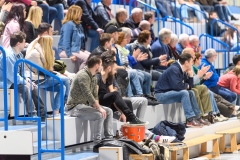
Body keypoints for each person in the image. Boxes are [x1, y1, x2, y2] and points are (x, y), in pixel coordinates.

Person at [65, 55, 114, 144]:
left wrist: (98, 106)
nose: (102, 67)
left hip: (85, 105)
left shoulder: (94, 77)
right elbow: (87, 94)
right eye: (101, 64)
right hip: (74, 107)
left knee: (109, 111)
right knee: (99, 115)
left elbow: (95, 95)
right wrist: (99, 108)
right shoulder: (82, 75)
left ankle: (109, 139)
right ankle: (97, 143)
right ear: (96, 65)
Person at [0, 31, 45, 120]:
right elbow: (12, 76)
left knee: (34, 87)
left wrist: (27, 79)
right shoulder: (8, 56)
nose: (25, 44)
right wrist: (25, 82)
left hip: (16, 80)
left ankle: (42, 113)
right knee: (26, 88)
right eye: (24, 42)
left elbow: (23, 70)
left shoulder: (19, 54)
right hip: (7, 82)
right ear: (18, 43)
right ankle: (32, 115)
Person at [154, 53, 206, 127]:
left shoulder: (183, 69)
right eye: (191, 62)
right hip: (161, 95)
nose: (192, 64)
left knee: (190, 92)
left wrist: (191, 76)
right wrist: (187, 85)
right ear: (186, 62)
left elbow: (190, 87)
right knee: (184, 93)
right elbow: (177, 86)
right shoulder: (174, 69)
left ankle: (197, 117)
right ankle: (190, 120)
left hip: (170, 93)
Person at [96, 50, 146, 124]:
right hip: (98, 101)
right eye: (114, 69)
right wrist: (99, 108)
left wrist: (122, 111)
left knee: (128, 102)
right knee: (115, 94)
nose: (116, 72)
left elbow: (113, 97)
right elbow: (95, 96)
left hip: (107, 101)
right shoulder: (97, 77)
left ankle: (131, 124)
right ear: (109, 68)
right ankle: (132, 118)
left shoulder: (109, 77)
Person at [25, 35, 70, 116]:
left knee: (62, 87)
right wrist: (56, 73)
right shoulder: (35, 53)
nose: (51, 45)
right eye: (50, 43)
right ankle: (66, 104)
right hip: (36, 79)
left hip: (44, 77)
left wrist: (51, 56)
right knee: (66, 80)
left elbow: (50, 69)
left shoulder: (44, 52)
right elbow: (43, 71)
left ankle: (56, 111)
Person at [193, 51, 236, 120]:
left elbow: (214, 76)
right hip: (210, 86)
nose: (216, 57)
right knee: (227, 96)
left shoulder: (209, 64)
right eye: (215, 55)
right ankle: (227, 112)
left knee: (233, 95)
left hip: (215, 85)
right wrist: (204, 77)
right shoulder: (204, 64)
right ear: (211, 56)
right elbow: (212, 77)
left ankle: (231, 109)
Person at [115, 31, 151, 96]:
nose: (127, 40)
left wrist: (136, 59)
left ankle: (144, 94)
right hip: (123, 68)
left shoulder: (125, 49)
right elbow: (121, 62)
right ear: (121, 40)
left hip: (129, 67)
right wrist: (135, 58)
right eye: (125, 38)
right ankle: (135, 94)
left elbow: (133, 62)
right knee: (137, 74)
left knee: (144, 75)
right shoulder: (118, 49)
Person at [58, 5, 90, 72]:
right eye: (80, 13)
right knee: (87, 58)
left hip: (75, 49)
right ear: (75, 14)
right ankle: (79, 79)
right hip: (65, 50)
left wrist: (82, 50)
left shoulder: (78, 25)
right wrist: (70, 55)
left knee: (92, 57)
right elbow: (66, 42)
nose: (81, 15)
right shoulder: (68, 24)